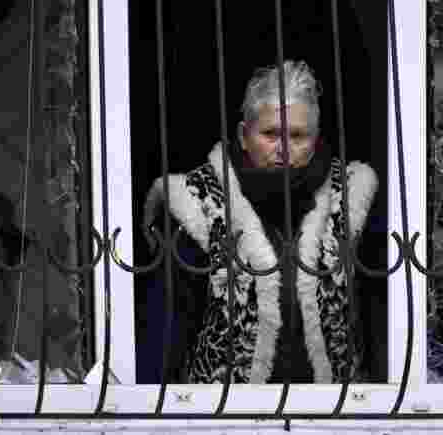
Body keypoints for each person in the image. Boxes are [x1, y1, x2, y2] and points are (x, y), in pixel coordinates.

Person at [142, 60, 378, 383]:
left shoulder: (349, 196)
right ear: (243, 135)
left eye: (298, 136)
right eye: (270, 134)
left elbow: (377, 320)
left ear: (316, 138)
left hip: (331, 414)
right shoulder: (199, 201)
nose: (283, 149)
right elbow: (166, 334)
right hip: (223, 415)